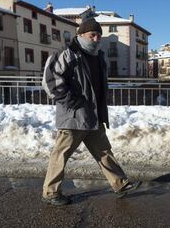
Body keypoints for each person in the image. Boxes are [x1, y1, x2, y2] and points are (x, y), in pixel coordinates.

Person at [41, 18, 141, 206]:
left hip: (93, 115)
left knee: (104, 151)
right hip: (73, 116)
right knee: (60, 155)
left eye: (98, 36)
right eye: (92, 35)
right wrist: (72, 101)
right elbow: (50, 80)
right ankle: (50, 192)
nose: (96, 39)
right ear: (80, 35)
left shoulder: (98, 56)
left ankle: (120, 184)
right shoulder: (67, 54)